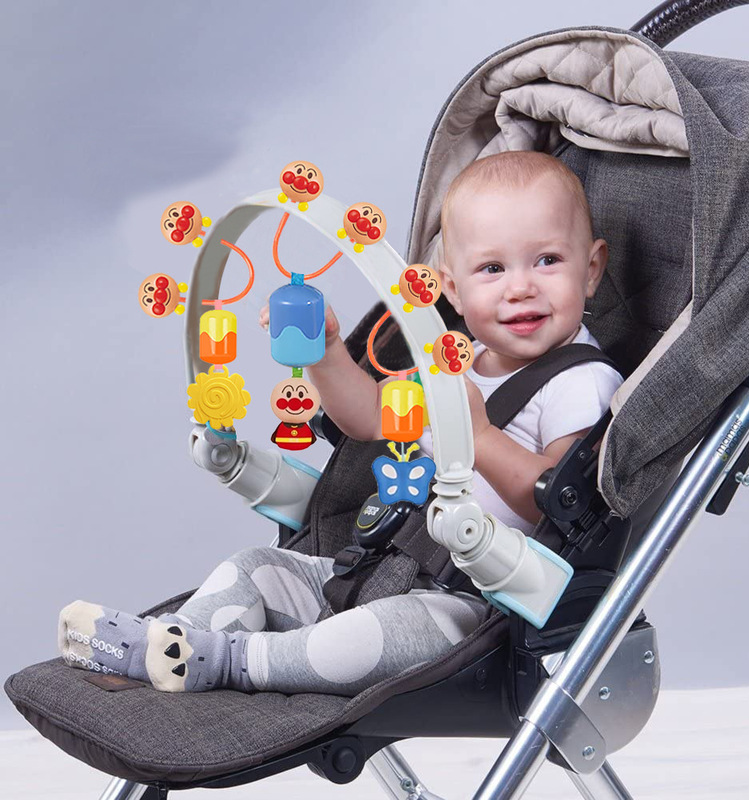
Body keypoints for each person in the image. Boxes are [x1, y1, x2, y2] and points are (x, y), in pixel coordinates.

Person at [57, 151, 623, 695]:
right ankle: (164, 646)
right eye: (492, 268)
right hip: (376, 566)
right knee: (255, 567)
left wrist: (479, 437)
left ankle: (227, 660)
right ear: (451, 288)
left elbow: (557, 501)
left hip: (468, 605)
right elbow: (368, 416)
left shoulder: (580, 381)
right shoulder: (452, 360)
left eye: (548, 261)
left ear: (591, 269)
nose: (521, 287)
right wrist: (327, 352)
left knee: (364, 638)